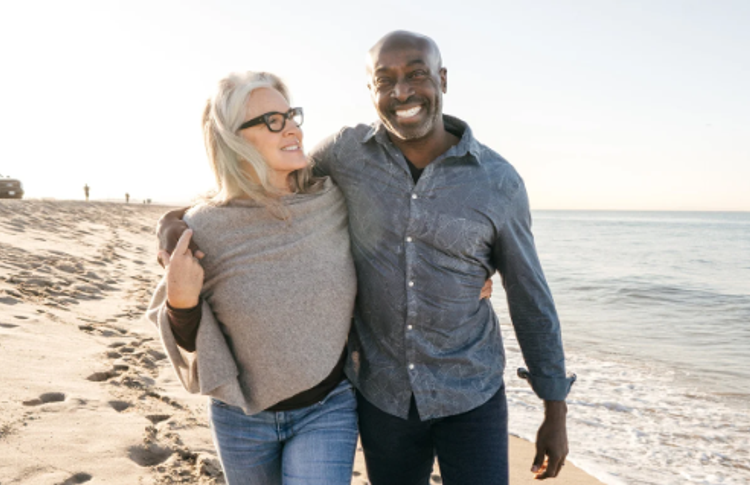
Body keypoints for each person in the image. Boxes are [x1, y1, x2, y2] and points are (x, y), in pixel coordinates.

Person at [159, 31, 573, 484]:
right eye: (385, 80)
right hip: (383, 397)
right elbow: (259, 186)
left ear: (442, 79)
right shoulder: (344, 154)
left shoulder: (498, 182)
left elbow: (530, 297)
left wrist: (555, 408)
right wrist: (176, 220)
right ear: (370, 91)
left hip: (471, 391)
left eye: (417, 74)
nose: (402, 91)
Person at [146, 71, 360, 484]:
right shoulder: (205, 228)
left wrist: (468, 273)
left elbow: (399, 222)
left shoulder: (331, 201)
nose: (292, 127)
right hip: (241, 416)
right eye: (271, 121)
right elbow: (191, 345)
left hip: (328, 407)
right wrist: (181, 303)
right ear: (233, 140)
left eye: (290, 115)